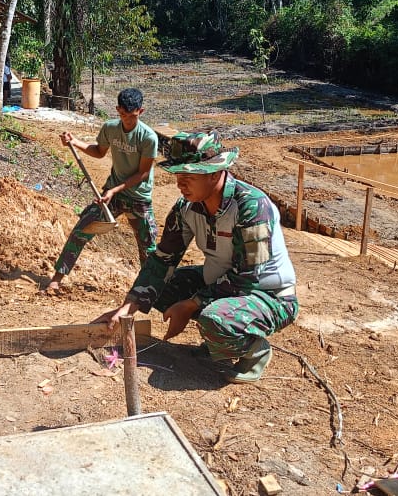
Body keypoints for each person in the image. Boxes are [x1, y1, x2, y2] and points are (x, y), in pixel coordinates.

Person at [95, 131, 298, 383]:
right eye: (178, 175)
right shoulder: (187, 207)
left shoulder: (251, 207)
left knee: (213, 318)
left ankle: (253, 350)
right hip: (224, 286)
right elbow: (162, 260)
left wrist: (191, 304)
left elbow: (246, 278)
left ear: (215, 173)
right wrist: (126, 309)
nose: (181, 183)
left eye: (189, 176)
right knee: (164, 286)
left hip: (269, 296)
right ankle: (217, 341)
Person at [45, 88, 158, 294]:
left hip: (138, 197)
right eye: (123, 115)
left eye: (132, 116)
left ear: (141, 111)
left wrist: (114, 190)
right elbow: (98, 151)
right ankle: (57, 279)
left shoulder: (149, 138)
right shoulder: (110, 128)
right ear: (117, 110)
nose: (128, 121)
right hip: (112, 194)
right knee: (82, 229)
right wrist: (75, 142)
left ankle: (148, 291)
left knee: (148, 248)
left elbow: (143, 173)